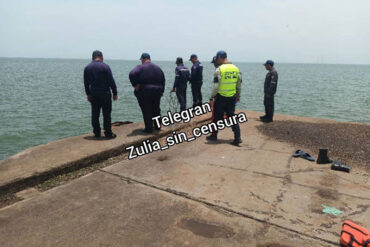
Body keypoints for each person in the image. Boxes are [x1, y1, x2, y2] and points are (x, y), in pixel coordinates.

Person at [207, 51, 242, 146]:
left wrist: (211, 98)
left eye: (217, 58)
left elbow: (215, 86)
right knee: (231, 116)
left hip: (221, 97)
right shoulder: (236, 68)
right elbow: (238, 85)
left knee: (216, 117)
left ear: (219, 57)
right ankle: (237, 137)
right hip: (232, 97)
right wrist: (238, 96)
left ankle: (214, 135)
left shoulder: (219, 69)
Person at [84, 50, 118, 139]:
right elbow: (111, 81)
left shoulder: (87, 67)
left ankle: (97, 132)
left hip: (94, 94)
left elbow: (86, 83)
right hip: (105, 93)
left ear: (92, 58)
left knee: (95, 114)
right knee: (106, 114)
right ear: (102, 57)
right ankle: (108, 133)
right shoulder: (105, 67)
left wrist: (88, 94)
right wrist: (115, 93)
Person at [129, 53, 165, 133]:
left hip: (145, 91)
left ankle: (149, 129)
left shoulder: (140, 67)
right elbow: (163, 79)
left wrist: (135, 85)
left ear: (143, 59)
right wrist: (162, 91)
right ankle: (158, 126)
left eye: (141, 60)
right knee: (156, 109)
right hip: (157, 91)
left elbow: (131, 74)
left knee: (146, 109)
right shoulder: (158, 68)